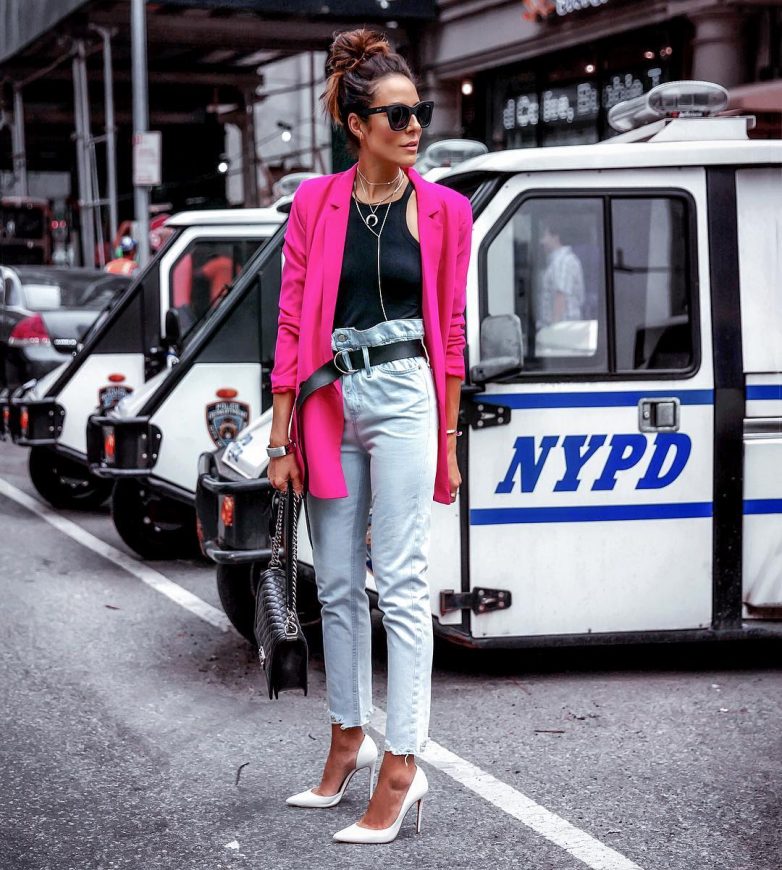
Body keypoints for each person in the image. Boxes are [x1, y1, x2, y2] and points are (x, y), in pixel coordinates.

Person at [266, 28, 472, 845]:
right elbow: (291, 322)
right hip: (329, 398)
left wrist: (448, 435)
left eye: (420, 112)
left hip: (405, 395)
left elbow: (450, 332)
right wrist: (279, 439)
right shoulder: (315, 203)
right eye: (397, 115)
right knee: (339, 584)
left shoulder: (447, 210)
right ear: (357, 125)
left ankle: (402, 764)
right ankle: (347, 737)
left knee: (405, 583)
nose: (414, 127)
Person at [537, 220, 585, 327]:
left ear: (555, 237)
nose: (542, 241)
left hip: (564, 328)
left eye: (545, 236)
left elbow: (560, 296)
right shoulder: (559, 261)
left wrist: (554, 329)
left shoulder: (562, 262)